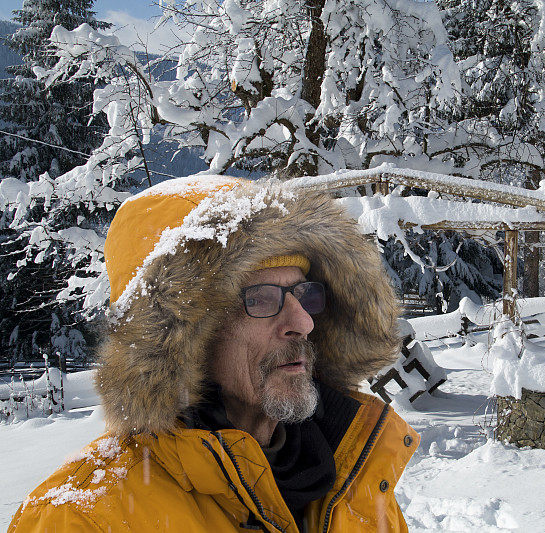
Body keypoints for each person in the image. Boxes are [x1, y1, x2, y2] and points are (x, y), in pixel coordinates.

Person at [9, 176, 418, 532]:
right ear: (184, 340)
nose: (304, 323)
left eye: (302, 294)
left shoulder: (353, 472)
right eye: (260, 298)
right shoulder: (83, 517)